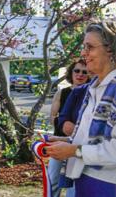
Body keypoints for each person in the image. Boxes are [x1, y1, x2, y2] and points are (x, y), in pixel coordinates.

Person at [46, 20, 116, 197]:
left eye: (90, 47)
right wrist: (67, 142)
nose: (83, 53)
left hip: (108, 184)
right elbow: (90, 139)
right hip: (83, 179)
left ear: (110, 50)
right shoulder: (92, 88)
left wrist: (74, 150)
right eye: (84, 47)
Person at [48, 59, 89, 197]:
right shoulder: (62, 92)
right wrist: (63, 129)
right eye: (77, 71)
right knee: (52, 179)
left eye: (85, 72)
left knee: (74, 182)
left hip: (78, 145)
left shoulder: (91, 93)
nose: (80, 74)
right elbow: (53, 116)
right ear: (71, 73)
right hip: (59, 142)